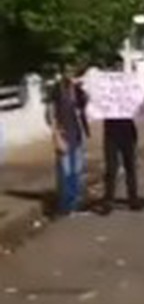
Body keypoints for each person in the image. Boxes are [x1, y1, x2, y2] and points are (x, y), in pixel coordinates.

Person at [47, 62, 90, 215]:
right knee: (65, 172)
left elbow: (85, 106)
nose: (70, 74)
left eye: (72, 71)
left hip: (77, 134)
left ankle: (75, 203)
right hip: (64, 134)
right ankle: (65, 205)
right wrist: (56, 135)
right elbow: (51, 113)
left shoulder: (77, 90)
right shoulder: (57, 89)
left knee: (77, 171)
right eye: (67, 71)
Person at [101, 115, 140, 214]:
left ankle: (133, 198)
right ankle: (109, 200)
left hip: (127, 133)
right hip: (111, 134)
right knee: (111, 168)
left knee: (130, 167)